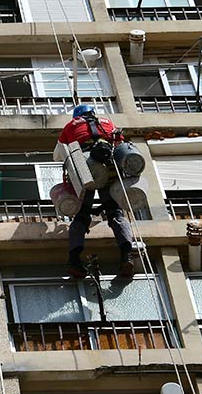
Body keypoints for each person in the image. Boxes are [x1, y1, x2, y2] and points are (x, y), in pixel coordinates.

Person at [57, 104, 134, 279]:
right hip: (110, 170)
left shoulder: (71, 125)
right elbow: (120, 143)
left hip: (87, 172)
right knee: (116, 213)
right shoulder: (106, 122)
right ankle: (126, 257)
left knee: (81, 215)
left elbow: (62, 148)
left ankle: (74, 260)